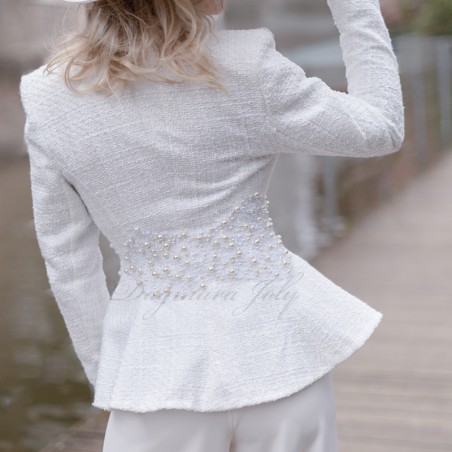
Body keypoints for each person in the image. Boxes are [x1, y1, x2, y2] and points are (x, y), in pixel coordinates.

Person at [19, 0, 404, 450]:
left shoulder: (49, 98)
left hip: (155, 377)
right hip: (281, 357)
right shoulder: (246, 67)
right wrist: (354, 8)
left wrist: (112, 376)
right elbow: (381, 128)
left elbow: (69, 263)